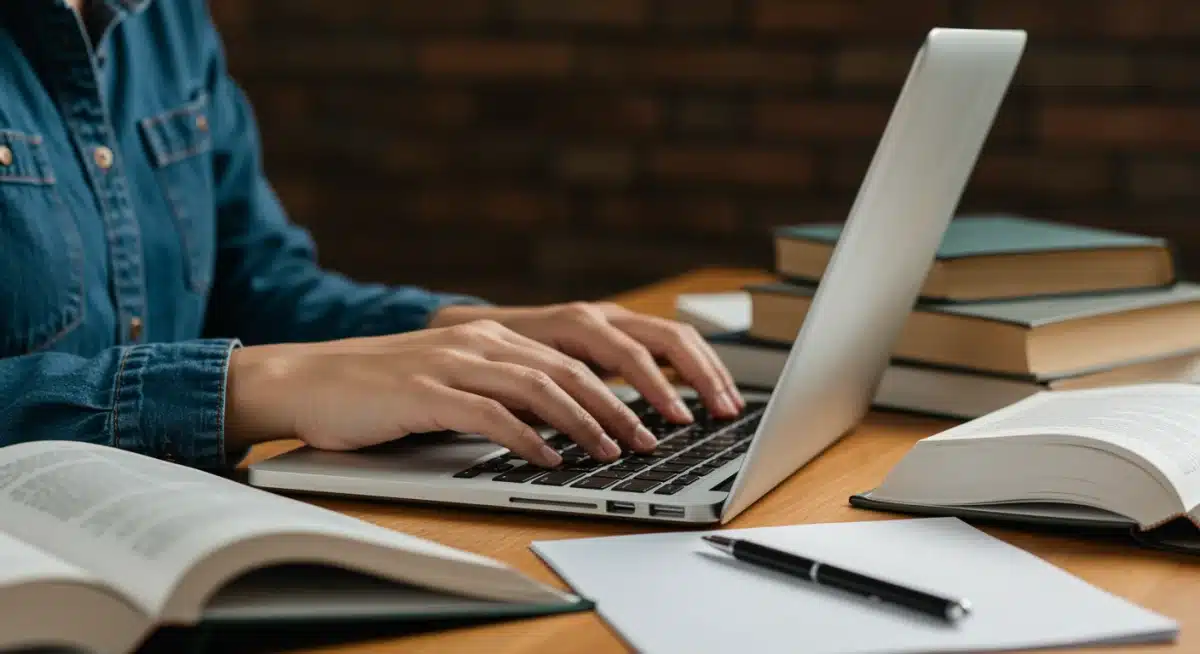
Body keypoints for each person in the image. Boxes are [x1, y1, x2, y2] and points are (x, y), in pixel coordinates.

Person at [0, 0, 742, 473]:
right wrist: (252, 388)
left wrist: (464, 331)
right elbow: (267, 363)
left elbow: (258, 283)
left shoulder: (168, 20)